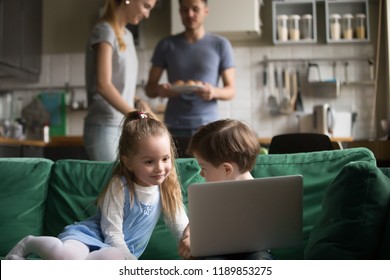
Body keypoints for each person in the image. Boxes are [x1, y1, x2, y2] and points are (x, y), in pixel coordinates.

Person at [6, 111, 189, 260]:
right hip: (90, 237)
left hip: (115, 252)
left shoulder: (166, 189)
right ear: (128, 162)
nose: (160, 168)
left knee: (113, 260)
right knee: (66, 256)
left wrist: (189, 241)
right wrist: (127, 257)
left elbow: (180, 225)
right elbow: (112, 231)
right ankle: (28, 243)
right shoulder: (120, 186)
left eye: (165, 159)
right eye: (149, 162)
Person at [178, 119, 273, 260]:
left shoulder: (265, 194)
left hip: (253, 252)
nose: (201, 174)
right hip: (213, 251)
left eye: (203, 168)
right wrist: (188, 237)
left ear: (227, 169)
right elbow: (195, 224)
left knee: (261, 259)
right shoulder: (208, 193)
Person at [144, 0, 236, 140]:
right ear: (180, 12)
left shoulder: (221, 45)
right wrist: (161, 90)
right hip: (174, 126)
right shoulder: (166, 45)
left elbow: (231, 90)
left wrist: (213, 91)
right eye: (185, 9)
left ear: (205, 11)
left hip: (208, 127)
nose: (190, 14)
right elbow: (149, 89)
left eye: (195, 9)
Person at [84, 0, 156, 161]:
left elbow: (119, 84)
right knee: (112, 185)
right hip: (104, 127)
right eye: (145, 6)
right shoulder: (104, 30)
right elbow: (103, 85)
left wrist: (138, 101)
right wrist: (139, 116)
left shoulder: (127, 35)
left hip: (122, 126)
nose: (147, 14)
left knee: (123, 185)